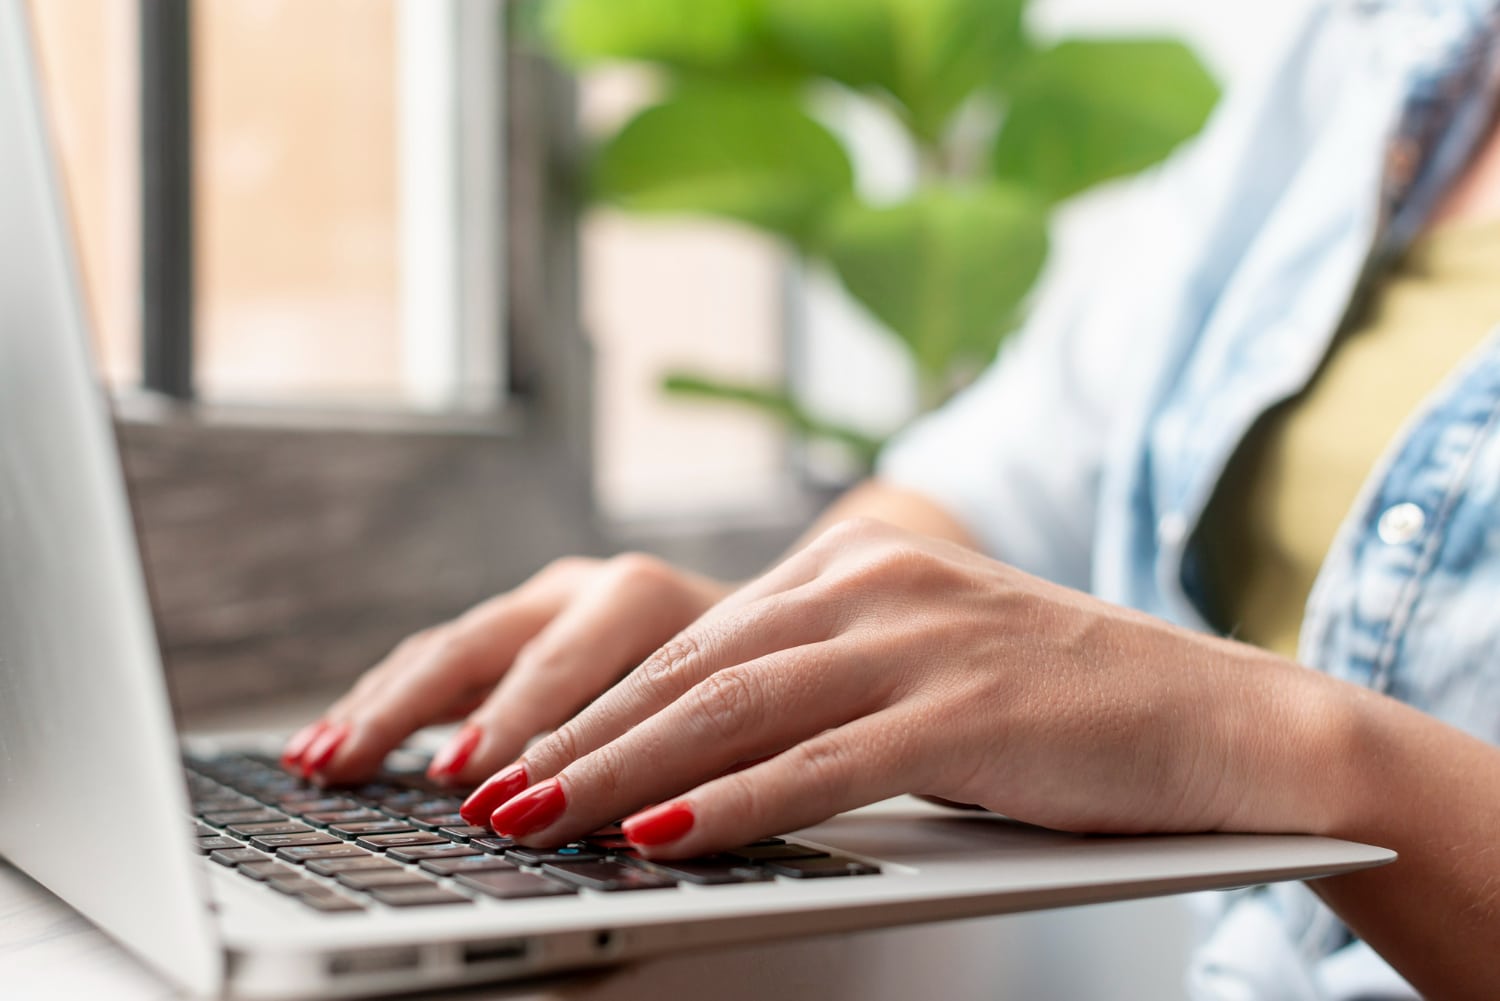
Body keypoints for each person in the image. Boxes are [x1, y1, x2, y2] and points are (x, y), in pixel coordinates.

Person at [282, 3, 1500, 998]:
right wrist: (758, 649)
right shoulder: (1371, 52)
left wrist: (1288, 744)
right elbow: (995, 477)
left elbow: (1226, 709)